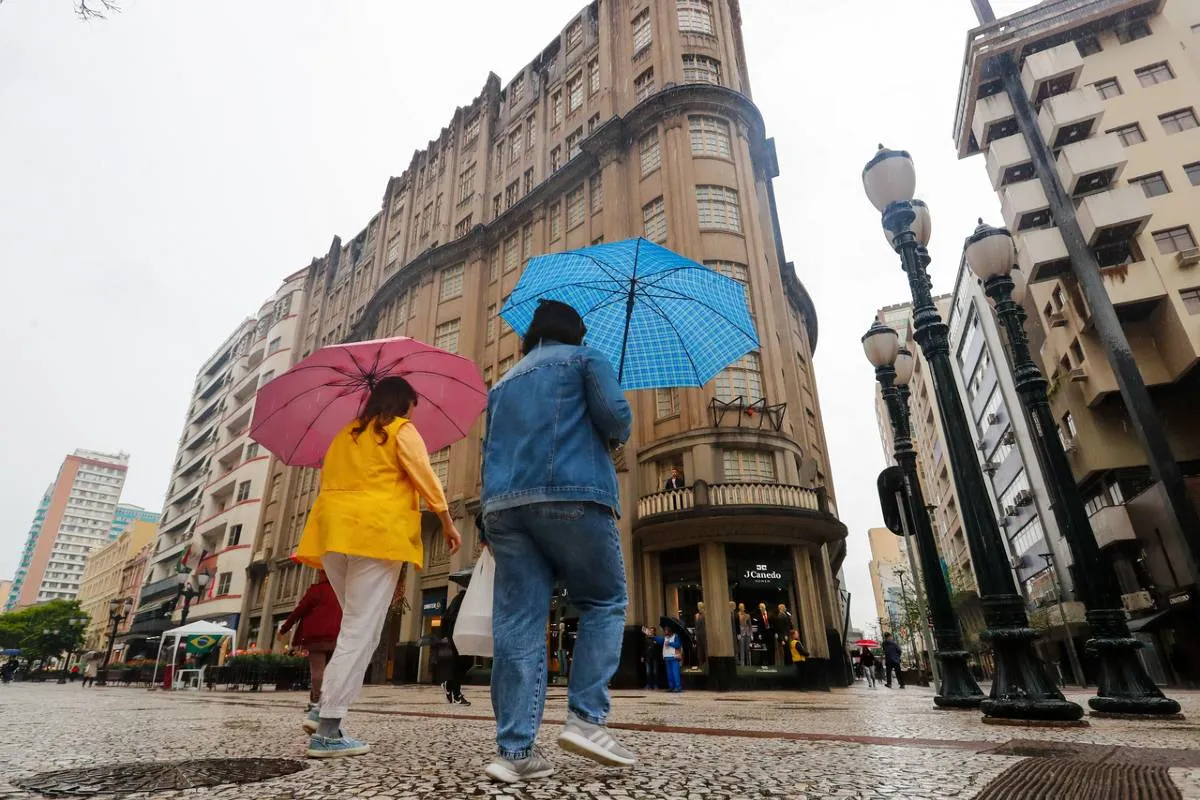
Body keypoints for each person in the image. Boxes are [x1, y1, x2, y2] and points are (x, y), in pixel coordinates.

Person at [480, 300, 634, 784]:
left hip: (504, 507)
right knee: (604, 600)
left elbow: (489, 451)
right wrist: (619, 428)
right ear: (575, 331)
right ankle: (587, 718)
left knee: (519, 623)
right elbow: (614, 417)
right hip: (573, 495)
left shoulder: (501, 385)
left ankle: (515, 750)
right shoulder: (587, 358)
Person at [294, 376, 462, 759]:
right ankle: (328, 726)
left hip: (333, 534)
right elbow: (424, 474)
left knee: (357, 625)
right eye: (411, 407)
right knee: (360, 628)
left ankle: (324, 708)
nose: (412, 414)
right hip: (376, 533)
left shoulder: (346, 435)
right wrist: (447, 520)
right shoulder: (401, 430)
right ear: (403, 404)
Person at [280, 570, 342, 720]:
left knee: (317, 669)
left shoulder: (316, 590)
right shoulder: (341, 591)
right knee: (330, 670)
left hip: (316, 635)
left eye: (321, 572)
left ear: (326, 574)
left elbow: (299, 611)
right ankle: (326, 702)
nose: (319, 575)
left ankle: (315, 702)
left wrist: (284, 628)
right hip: (336, 635)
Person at [437, 586, 473, 706]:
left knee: (468, 662)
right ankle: (456, 695)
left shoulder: (470, 599)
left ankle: (449, 685)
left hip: (465, 636)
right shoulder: (460, 598)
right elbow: (449, 616)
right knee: (460, 663)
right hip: (456, 636)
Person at [661, 627, 683, 693]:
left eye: (666, 631)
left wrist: (670, 643)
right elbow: (659, 640)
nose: (665, 632)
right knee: (669, 673)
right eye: (665, 631)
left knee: (675, 673)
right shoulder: (665, 637)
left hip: (674, 657)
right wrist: (653, 636)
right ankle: (671, 687)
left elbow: (678, 644)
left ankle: (678, 687)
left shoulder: (675, 636)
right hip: (667, 657)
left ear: (670, 631)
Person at [694, 602, 707, 669]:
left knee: (706, 649)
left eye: (699, 606)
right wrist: (695, 635)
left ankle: (707, 664)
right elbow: (695, 626)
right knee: (699, 650)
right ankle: (700, 664)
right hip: (698, 634)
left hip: (705, 634)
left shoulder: (706, 614)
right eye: (698, 606)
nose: (698, 607)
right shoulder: (696, 615)